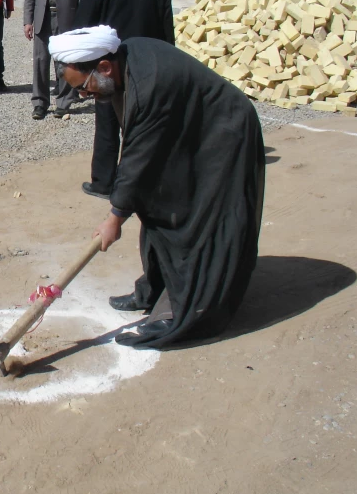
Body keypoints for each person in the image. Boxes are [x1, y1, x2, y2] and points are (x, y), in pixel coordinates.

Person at [51, 26, 265, 348]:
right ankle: (154, 289)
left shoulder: (148, 83)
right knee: (154, 202)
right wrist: (124, 204)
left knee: (198, 218)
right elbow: (136, 153)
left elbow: (137, 160)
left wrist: (114, 219)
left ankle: (186, 309)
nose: (85, 96)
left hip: (225, 136)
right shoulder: (124, 66)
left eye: (84, 88)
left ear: (105, 67)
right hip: (191, 127)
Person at [72, 0, 174, 200]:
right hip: (148, 66)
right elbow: (167, 34)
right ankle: (145, 182)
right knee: (145, 125)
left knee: (107, 125)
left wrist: (84, 75)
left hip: (109, 68)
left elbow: (83, 29)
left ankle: (104, 182)